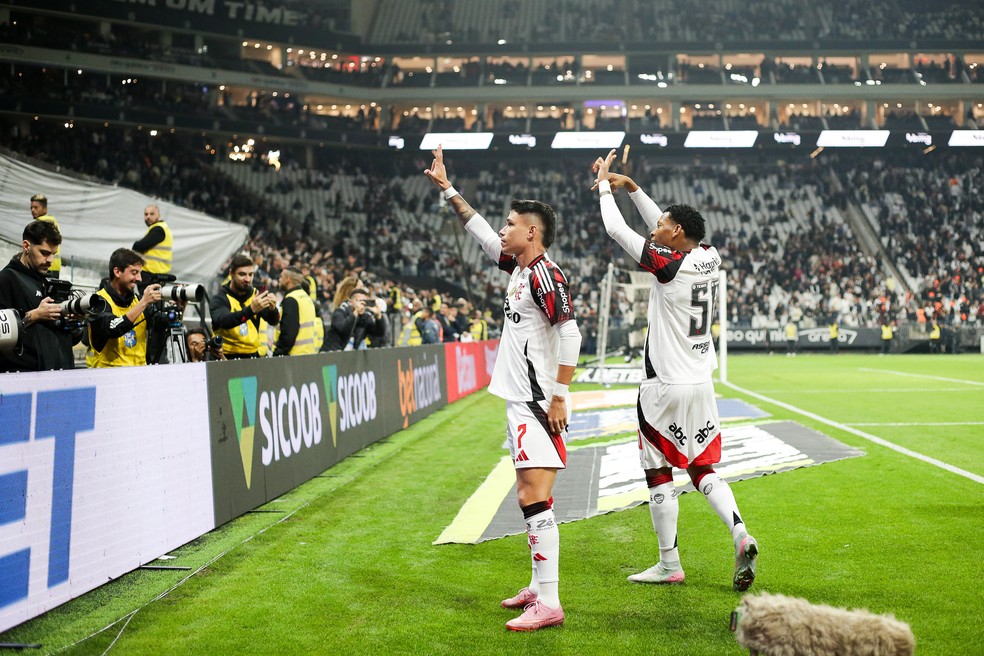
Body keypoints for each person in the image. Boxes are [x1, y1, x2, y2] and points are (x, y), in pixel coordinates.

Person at [425, 145, 581, 632]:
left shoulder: (545, 275)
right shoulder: (518, 268)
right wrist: (449, 189)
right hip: (525, 399)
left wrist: (556, 396)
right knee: (532, 496)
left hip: (537, 402)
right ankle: (539, 587)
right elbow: (477, 231)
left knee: (532, 496)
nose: (503, 229)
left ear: (531, 232)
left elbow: (571, 333)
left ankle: (550, 601)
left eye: (511, 224)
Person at [592, 149, 758, 593]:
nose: (656, 228)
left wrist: (607, 186)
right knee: (704, 469)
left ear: (676, 231)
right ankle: (740, 530)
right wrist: (634, 189)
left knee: (659, 473)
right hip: (702, 383)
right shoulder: (710, 255)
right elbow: (660, 226)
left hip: (664, 385)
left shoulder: (667, 266)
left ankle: (670, 563)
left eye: (663, 224)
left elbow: (615, 228)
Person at [0, 220, 78, 371]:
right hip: (25, 380)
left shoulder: (52, 283)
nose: (50, 260)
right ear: (26, 246)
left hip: (61, 376)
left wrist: (73, 323)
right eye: (44, 253)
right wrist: (36, 315)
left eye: (53, 254)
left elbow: (69, 339)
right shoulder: (7, 279)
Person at [87, 248, 166, 367]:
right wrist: (144, 302)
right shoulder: (98, 301)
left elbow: (162, 325)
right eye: (134, 272)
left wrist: (179, 308)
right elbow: (113, 328)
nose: (139, 279)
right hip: (109, 378)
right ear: (117, 272)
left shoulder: (138, 300)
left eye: (140, 273)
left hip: (139, 376)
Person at [210, 254, 280, 359]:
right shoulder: (220, 298)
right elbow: (224, 321)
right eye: (242, 274)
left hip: (251, 356)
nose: (247, 279)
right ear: (231, 274)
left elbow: (273, 321)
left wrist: (273, 309)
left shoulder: (257, 295)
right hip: (225, 356)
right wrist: (251, 310)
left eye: (250, 274)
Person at [324, 276, 381, 351]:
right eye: (361, 287)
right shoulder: (341, 311)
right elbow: (344, 329)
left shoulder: (364, 313)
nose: (364, 289)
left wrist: (379, 316)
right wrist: (355, 313)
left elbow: (378, 332)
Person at [273, 269, 319, 356]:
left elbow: (289, 334)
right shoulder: (306, 297)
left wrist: (277, 353)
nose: (279, 279)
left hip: (293, 357)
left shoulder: (291, 299)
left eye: (281, 276)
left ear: (288, 279)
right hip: (307, 354)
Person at [132, 204, 173, 275]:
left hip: (152, 274)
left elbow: (139, 246)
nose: (148, 217)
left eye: (152, 214)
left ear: (159, 215)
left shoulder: (158, 229)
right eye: (146, 214)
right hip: (157, 273)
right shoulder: (162, 227)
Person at [30, 193, 61, 279]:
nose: (32, 210)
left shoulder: (40, 223)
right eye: (31, 208)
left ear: (45, 209)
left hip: (43, 265)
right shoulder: (53, 221)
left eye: (36, 207)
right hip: (54, 266)